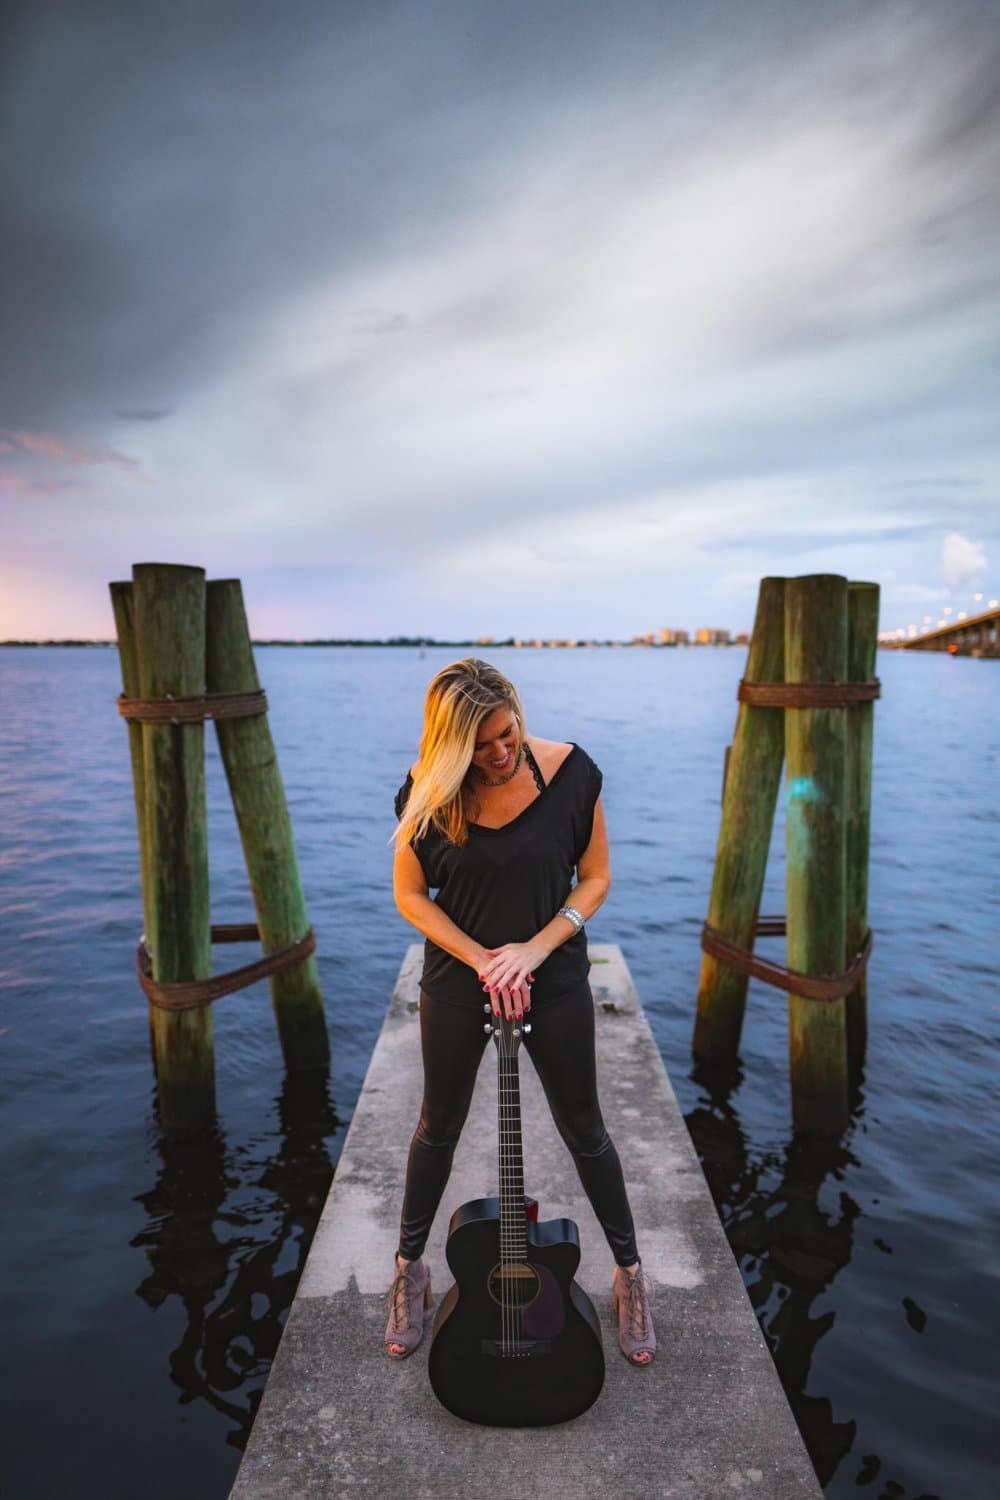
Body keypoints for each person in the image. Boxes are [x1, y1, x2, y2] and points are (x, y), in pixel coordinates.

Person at [385, 657, 656, 1368]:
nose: (502, 753)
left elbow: (595, 877)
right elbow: (411, 896)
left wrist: (532, 951)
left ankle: (630, 1276)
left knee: (585, 1128)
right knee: (436, 1128)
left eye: (509, 734)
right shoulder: (427, 792)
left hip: (554, 975)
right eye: (482, 746)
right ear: (451, 747)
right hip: (458, 980)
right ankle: (408, 1269)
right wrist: (483, 959)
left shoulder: (571, 774)